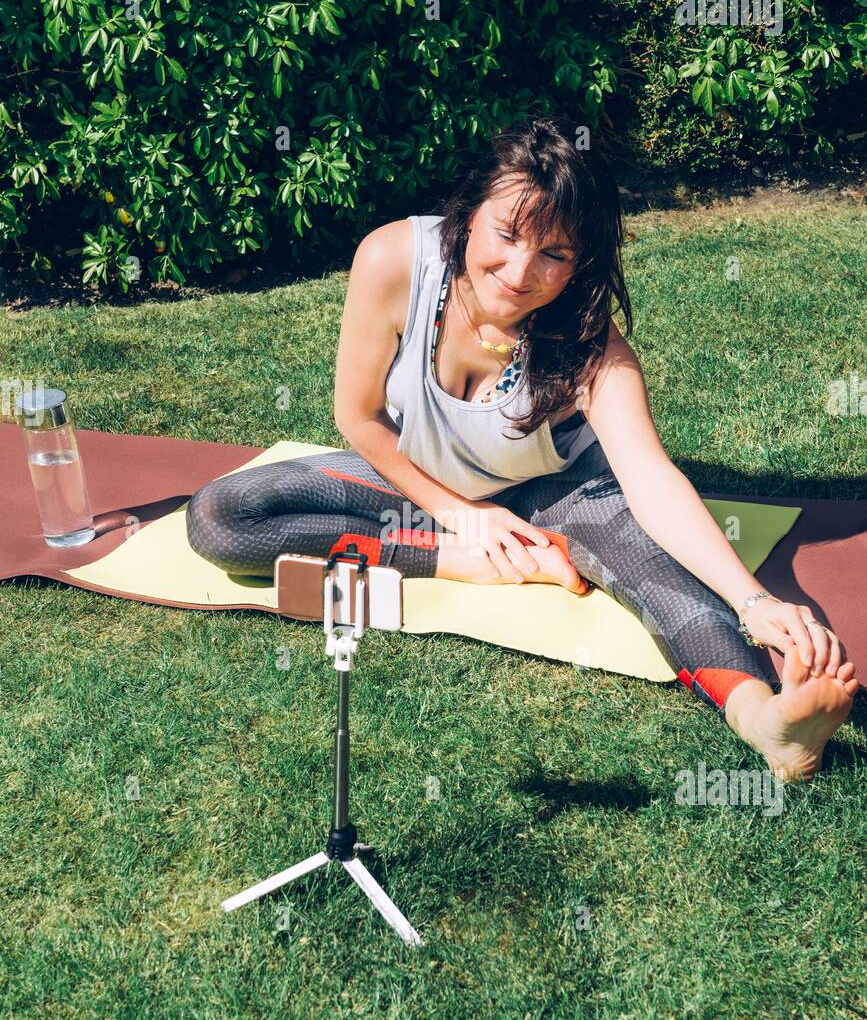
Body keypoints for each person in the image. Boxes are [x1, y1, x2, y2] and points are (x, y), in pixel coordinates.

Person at [186, 114, 858, 782]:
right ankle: (466, 563)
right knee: (222, 517)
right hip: (418, 485)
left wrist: (755, 603)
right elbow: (358, 419)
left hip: (554, 496)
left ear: (581, 262)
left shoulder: (593, 348)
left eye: (554, 254)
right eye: (506, 235)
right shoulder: (393, 261)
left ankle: (765, 724)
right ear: (468, 214)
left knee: (656, 573)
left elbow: (650, 479)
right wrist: (460, 522)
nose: (518, 272)